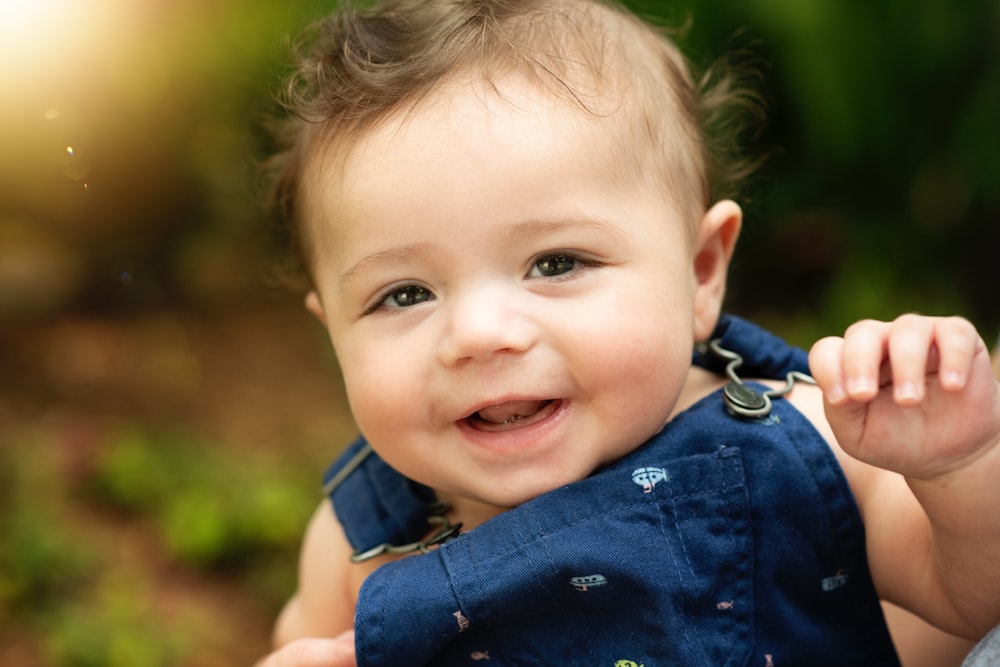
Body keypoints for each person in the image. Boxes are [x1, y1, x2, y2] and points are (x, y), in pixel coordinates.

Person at [256, 0, 1000, 664]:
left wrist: (958, 465)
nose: (480, 334)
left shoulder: (807, 449)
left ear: (702, 272)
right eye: (404, 293)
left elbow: (978, 601)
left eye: (555, 261)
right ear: (334, 332)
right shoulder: (359, 539)